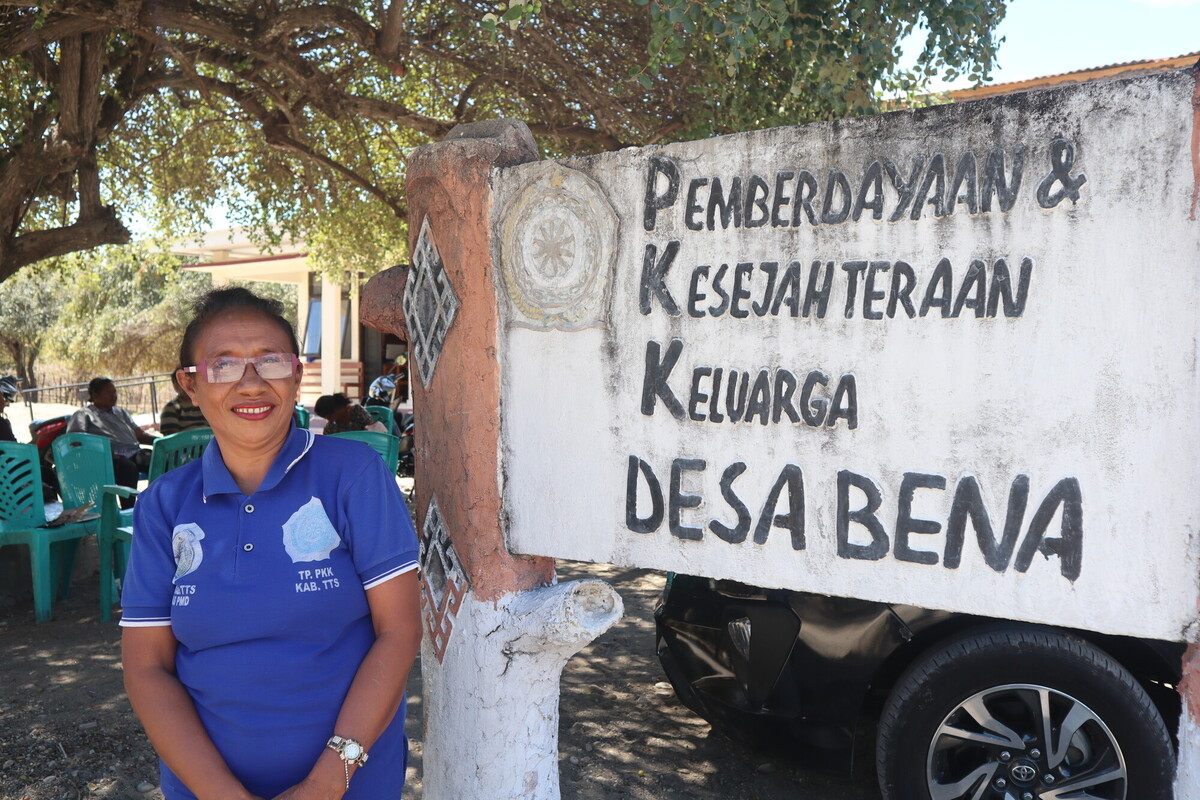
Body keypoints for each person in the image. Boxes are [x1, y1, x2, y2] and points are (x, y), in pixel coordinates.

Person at [120, 287, 421, 800]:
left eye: (270, 362)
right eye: (224, 366)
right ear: (190, 385)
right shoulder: (165, 505)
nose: (252, 384)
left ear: (298, 376)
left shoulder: (353, 476)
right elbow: (147, 667)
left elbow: (399, 631)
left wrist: (327, 784)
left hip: (352, 784)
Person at [67, 377, 156, 501]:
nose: (114, 396)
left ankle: (160, 504)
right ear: (95, 395)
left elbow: (140, 435)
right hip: (107, 457)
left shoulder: (121, 412)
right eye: (109, 392)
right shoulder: (84, 414)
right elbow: (76, 440)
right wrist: (100, 451)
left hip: (134, 453)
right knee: (128, 467)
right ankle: (129, 511)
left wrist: (163, 442)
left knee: (158, 459)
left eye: (114, 392)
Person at [314, 393, 387, 435]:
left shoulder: (357, 411)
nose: (329, 420)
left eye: (329, 416)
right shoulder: (331, 427)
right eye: (326, 418)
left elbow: (373, 430)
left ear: (338, 408)